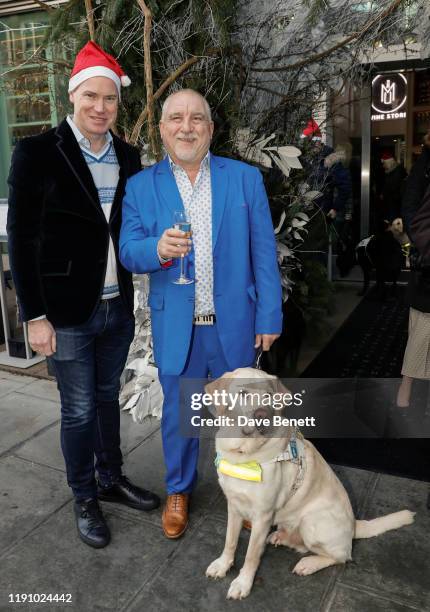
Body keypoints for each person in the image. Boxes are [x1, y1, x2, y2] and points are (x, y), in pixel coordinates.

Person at [7, 41, 159, 549]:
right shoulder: (36, 152)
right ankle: (84, 496)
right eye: (91, 96)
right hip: (67, 312)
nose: (100, 107)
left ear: (119, 104)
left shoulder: (129, 156)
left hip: (117, 308)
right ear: (72, 96)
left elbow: (133, 228)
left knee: (106, 399)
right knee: (77, 411)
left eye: (110, 99)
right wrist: (35, 316)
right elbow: (23, 239)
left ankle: (110, 478)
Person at [119, 88, 283, 539]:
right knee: (179, 417)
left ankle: (248, 495)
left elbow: (263, 254)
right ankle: (178, 490)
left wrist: (270, 317)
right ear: (162, 129)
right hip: (179, 327)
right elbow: (129, 250)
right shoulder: (141, 185)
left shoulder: (244, 179)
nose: (186, 126)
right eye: (176, 118)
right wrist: (156, 248)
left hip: (234, 325)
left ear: (211, 129)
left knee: (243, 419)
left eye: (196, 119)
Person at [397, 131, 430, 409]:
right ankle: (405, 394)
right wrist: (422, 247)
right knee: (422, 330)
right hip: (429, 264)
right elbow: (411, 207)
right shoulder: (426, 162)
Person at [379, 151, 407, 223]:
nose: (383, 166)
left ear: (389, 163)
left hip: (396, 202)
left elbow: (393, 186)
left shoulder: (398, 171)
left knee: (394, 222)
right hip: (392, 201)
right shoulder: (390, 171)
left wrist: (384, 193)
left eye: (384, 163)